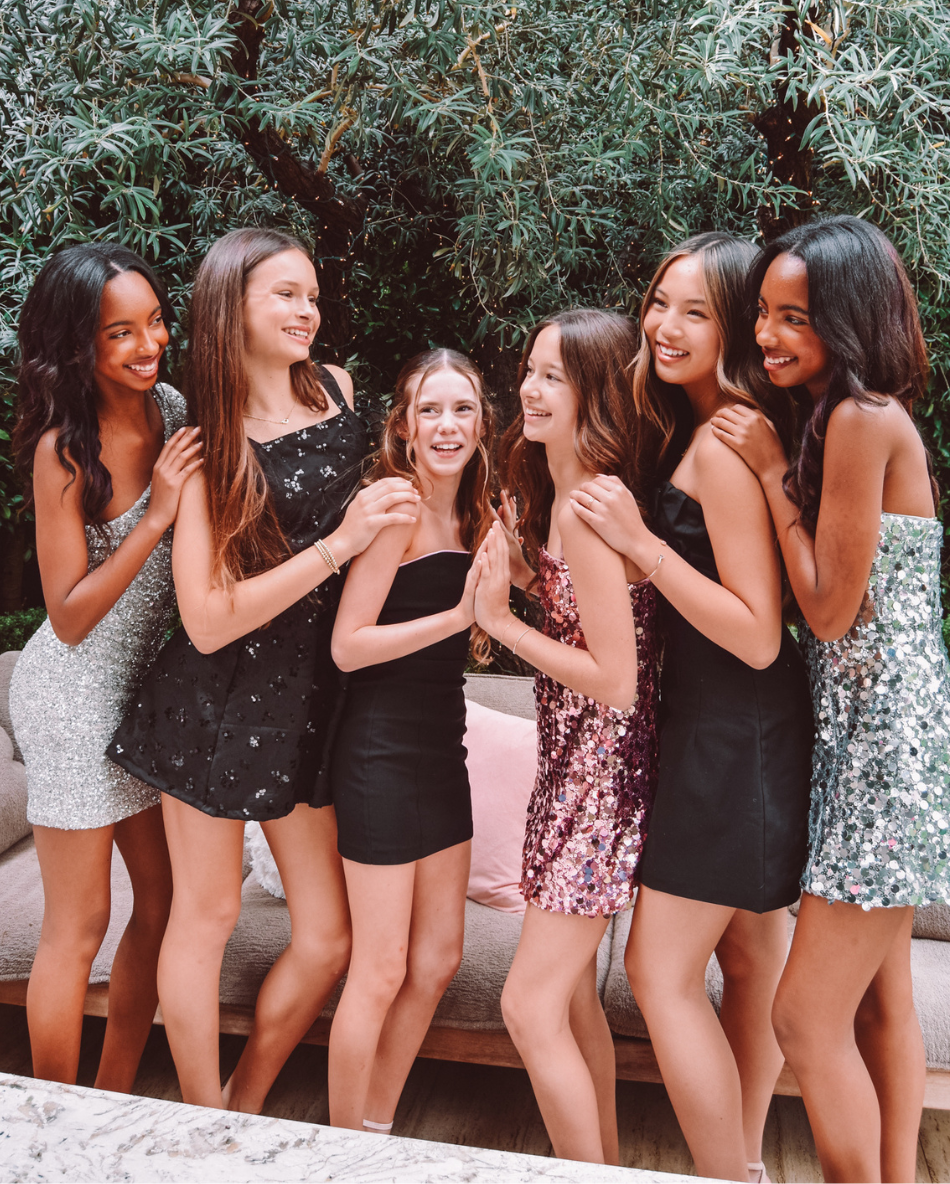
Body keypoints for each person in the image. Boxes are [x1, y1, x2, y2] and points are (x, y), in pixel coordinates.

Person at [108, 227, 419, 1111]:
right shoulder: (208, 442)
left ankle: (244, 1102)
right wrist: (343, 544)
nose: (307, 310)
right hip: (212, 705)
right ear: (230, 304)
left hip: (318, 699)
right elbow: (204, 623)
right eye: (285, 294)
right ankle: (204, 1125)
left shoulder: (340, 390)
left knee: (327, 938)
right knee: (204, 917)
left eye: (312, 294)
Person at [711, 214, 950, 1184]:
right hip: (881, 744)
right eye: (763, 313)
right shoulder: (841, 417)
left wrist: (770, 478)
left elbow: (828, 608)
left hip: (881, 756)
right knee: (878, 1001)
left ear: (846, 319)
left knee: (799, 1017)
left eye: (794, 317)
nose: (767, 335)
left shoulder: (859, 420)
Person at [571, 233, 813, 1183]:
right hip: (731, 727)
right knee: (750, 971)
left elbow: (758, 632)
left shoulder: (723, 443)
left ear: (736, 329)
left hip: (734, 733)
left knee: (659, 976)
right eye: (659, 302)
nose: (665, 327)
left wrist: (639, 542)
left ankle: (731, 1175)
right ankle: (741, 1163)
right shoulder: (703, 426)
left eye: (697, 312)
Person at [10, 243, 200, 1089]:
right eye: (118, 332)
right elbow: (70, 614)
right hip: (71, 692)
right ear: (74, 346)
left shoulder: (172, 407)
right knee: (78, 924)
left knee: (160, 908)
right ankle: (60, 1120)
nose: (147, 343)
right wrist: (156, 514)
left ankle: (115, 1096)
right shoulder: (62, 449)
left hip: (140, 696)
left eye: (154, 321)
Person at [472, 309, 660, 1165]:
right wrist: (525, 576)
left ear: (597, 393)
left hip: (596, 788)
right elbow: (590, 628)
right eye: (530, 369)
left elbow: (616, 681)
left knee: (528, 1007)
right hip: (571, 777)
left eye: (554, 376)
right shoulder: (565, 496)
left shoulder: (587, 508)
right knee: (575, 1005)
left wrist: (498, 620)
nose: (530, 389)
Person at [326, 349, 493, 1132]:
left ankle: (377, 1129)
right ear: (405, 425)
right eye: (431, 410)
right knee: (383, 965)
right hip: (378, 753)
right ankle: (339, 1148)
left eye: (462, 409)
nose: (447, 426)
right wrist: (458, 620)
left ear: (483, 421)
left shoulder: (484, 513)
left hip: (441, 753)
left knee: (436, 962)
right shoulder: (391, 508)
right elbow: (348, 645)